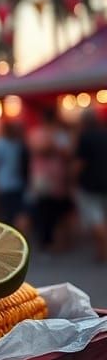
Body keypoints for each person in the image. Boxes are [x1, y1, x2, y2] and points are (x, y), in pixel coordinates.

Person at [27, 109, 72, 250]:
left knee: (58, 209)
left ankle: (58, 242)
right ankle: (45, 241)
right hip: (42, 177)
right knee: (43, 209)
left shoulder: (61, 134)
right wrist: (53, 144)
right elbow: (40, 150)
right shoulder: (37, 133)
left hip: (59, 177)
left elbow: (68, 153)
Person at [74, 109, 107, 261]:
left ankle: (103, 252)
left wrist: (71, 178)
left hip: (91, 184)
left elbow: (80, 163)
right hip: (102, 182)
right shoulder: (104, 134)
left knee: (96, 219)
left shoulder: (85, 137)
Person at [0, 121, 28, 233]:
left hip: (16, 183)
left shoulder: (18, 144)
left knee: (17, 212)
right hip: (4, 184)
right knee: (8, 213)